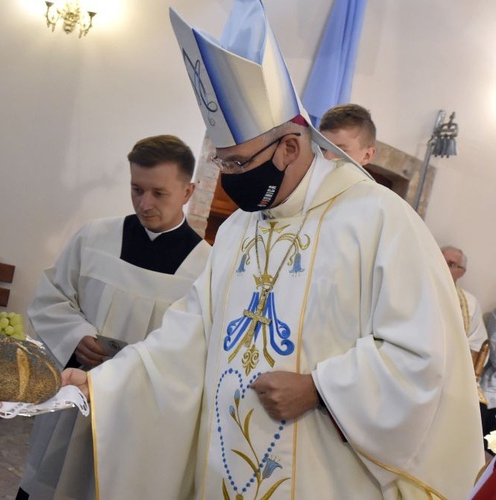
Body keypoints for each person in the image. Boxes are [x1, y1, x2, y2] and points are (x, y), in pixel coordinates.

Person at [62, 2, 484, 498]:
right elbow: (190, 331)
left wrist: (320, 389)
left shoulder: (381, 221)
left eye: (240, 163)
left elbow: (422, 353)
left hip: (324, 473)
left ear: (289, 146)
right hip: (221, 469)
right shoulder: (241, 229)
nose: (229, 178)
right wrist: (108, 383)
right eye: (222, 162)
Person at [17, 135, 211, 499]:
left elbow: (194, 352)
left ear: (188, 192)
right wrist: (76, 336)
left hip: (137, 415)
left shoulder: (207, 269)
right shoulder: (95, 237)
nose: (144, 203)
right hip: (74, 396)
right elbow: (51, 298)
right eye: (137, 189)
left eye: (158, 193)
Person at [441, 246, 488, 363]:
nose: (443, 267)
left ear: (462, 272)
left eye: (451, 265)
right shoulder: (416, 291)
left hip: (451, 366)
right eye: (440, 260)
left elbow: (478, 346)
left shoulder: (470, 303)